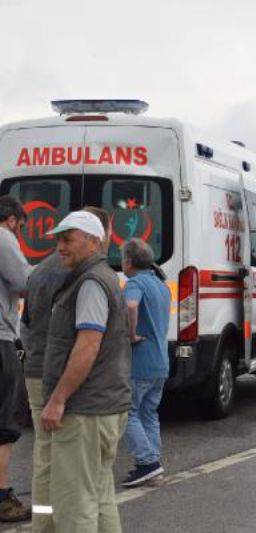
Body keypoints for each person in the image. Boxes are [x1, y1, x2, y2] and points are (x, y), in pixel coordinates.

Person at [41, 210, 132, 531]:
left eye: (68, 240)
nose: (60, 247)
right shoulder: (103, 277)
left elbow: (88, 345)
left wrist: (58, 399)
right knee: (100, 495)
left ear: (94, 242)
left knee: (74, 504)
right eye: (58, 241)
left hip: (85, 411)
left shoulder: (90, 282)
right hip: (105, 405)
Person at [20, 206, 110, 530]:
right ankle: (66, 520)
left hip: (34, 368)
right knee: (74, 460)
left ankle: (43, 524)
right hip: (63, 373)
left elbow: (25, 324)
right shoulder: (81, 273)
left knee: (44, 453)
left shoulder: (38, 271)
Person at [120, 239, 171, 487]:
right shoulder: (161, 285)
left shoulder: (135, 282)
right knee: (149, 413)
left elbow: (131, 305)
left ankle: (147, 461)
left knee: (127, 412)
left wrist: (131, 335)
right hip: (161, 361)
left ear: (129, 261)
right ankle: (153, 466)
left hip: (140, 360)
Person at [0, 196, 33, 523]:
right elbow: (24, 282)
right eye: (21, 227)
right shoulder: (3, 237)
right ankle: (2, 498)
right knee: (5, 420)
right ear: (12, 220)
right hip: (0, 337)